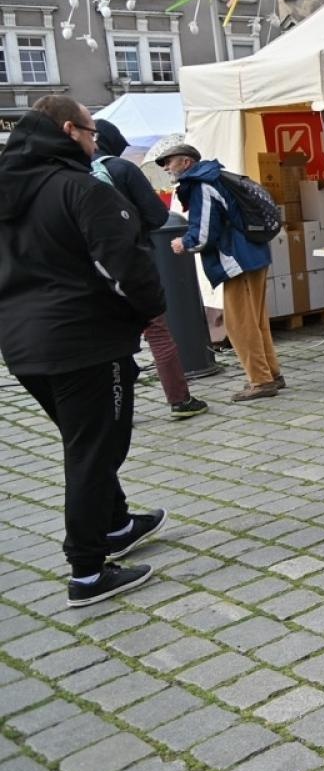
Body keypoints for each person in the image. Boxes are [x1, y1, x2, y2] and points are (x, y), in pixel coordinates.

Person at [0, 99, 169, 606]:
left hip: (23, 345)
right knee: (94, 451)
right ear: (70, 130)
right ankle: (88, 571)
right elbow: (127, 266)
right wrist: (147, 312)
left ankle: (115, 524)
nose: (97, 143)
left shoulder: (8, 193)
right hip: (84, 341)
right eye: (93, 134)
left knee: (84, 441)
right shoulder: (81, 189)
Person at [94, 120, 208, 419]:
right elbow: (158, 216)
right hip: (132, 264)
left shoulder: (70, 173)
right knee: (157, 332)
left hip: (92, 271)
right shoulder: (121, 168)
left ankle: (113, 406)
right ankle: (179, 400)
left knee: (107, 339)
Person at [155, 140, 283, 401]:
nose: (167, 167)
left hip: (235, 259)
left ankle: (260, 381)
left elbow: (203, 233)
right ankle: (271, 373)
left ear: (187, 162)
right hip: (253, 252)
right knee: (256, 320)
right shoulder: (215, 177)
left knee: (239, 324)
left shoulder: (201, 184)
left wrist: (184, 243)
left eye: (169, 161)